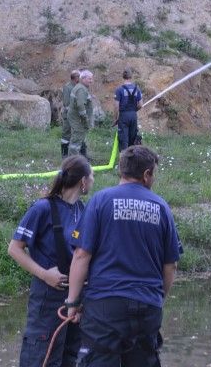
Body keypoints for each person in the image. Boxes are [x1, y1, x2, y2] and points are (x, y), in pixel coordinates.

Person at [64, 145, 182, 367]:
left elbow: (81, 255)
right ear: (146, 174)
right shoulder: (162, 208)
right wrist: (157, 300)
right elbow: (170, 266)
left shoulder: (100, 201)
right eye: (154, 173)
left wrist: (73, 302)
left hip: (104, 307)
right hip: (147, 307)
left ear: (121, 169)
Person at [8, 155, 95, 367]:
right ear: (83, 181)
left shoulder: (83, 210)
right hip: (47, 297)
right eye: (92, 176)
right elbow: (14, 249)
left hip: (75, 298)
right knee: (40, 356)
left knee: (71, 357)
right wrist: (45, 275)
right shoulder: (42, 208)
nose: (93, 181)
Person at [113, 69, 143, 152]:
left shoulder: (119, 90)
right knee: (132, 139)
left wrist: (115, 118)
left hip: (123, 116)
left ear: (123, 76)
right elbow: (141, 104)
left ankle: (123, 158)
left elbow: (116, 106)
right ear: (131, 76)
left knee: (123, 139)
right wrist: (134, 110)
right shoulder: (137, 89)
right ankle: (131, 157)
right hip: (133, 116)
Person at [67, 70, 94, 158]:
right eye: (89, 79)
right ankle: (73, 160)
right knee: (77, 139)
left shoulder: (81, 88)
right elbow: (81, 106)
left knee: (81, 138)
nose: (91, 81)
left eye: (91, 79)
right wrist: (85, 120)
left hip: (77, 118)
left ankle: (83, 158)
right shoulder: (81, 89)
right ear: (83, 79)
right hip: (78, 119)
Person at [60, 70, 81, 158]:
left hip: (77, 115)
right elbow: (66, 103)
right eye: (79, 77)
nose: (80, 78)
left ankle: (81, 154)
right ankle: (64, 154)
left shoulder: (78, 86)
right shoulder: (67, 87)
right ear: (75, 78)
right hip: (69, 115)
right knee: (66, 134)